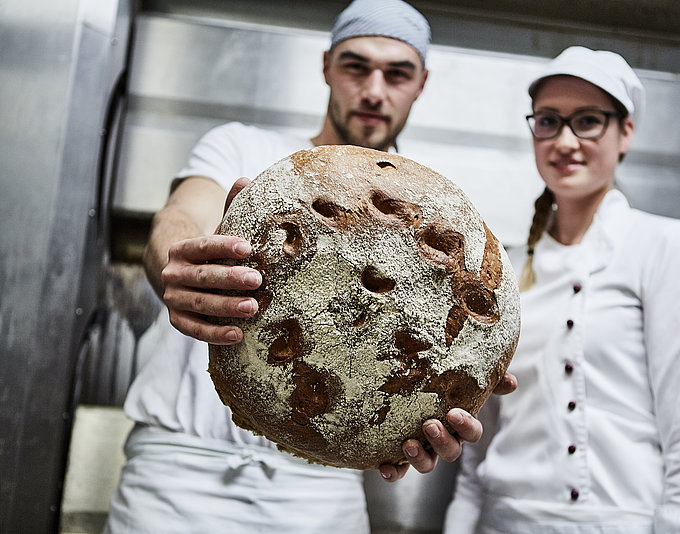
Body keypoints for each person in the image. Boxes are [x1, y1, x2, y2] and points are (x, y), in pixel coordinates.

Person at [104, 1, 514, 532]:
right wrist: (180, 268)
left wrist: (441, 402)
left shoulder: (442, 210)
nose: (374, 90)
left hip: (321, 488)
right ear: (326, 67)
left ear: (421, 83)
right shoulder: (247, 150)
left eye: (397, 74)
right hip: (178, 470)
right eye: (356, 66)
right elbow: (180, 217)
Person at [443, 46, 680, 533]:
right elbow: (481, 443)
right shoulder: (503, 269)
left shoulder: (666, 246)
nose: (565, 141)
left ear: (626, 132)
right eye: (548, 121)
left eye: (587, 121)